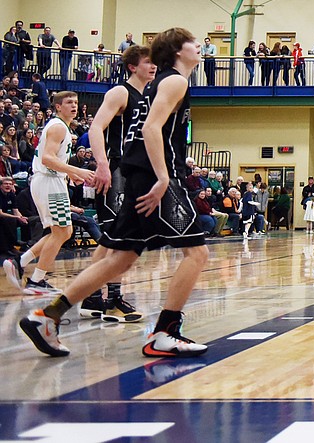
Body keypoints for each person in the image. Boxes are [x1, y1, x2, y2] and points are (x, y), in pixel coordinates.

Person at [19, 28, 209, 358]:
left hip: (137, 174)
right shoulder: (175, 81)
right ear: (179, 51)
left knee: (120, 257)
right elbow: (151, 129)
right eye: (194, 43)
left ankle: (46, 315)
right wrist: (164, 178)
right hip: (155, 177)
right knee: (197, 254)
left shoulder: (155, 83)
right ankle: (165, 332)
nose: (200, 47)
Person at [80, 44, 155, 322]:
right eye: (148, 61)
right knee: (119, 238)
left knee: (114, 238)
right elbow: (96, 128)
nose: (154, 66)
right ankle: (111, 299)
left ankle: (90, 295)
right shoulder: (121, 92)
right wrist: (102, 164)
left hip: (134, 173)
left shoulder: (149, 95)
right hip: (116, 169)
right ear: (133, 66)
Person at [4, 91, 95, 297]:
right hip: (48, 181)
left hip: (51, 181)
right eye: (69, 102)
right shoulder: (57, 127)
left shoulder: (61, 127)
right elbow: (47, 158)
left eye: (76, 102)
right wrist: (76, 170)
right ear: (57, 107)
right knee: (62, 232)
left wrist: (70, 174)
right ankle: (36, 280)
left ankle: (21, 261)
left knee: (63, 231)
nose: (74, 106)